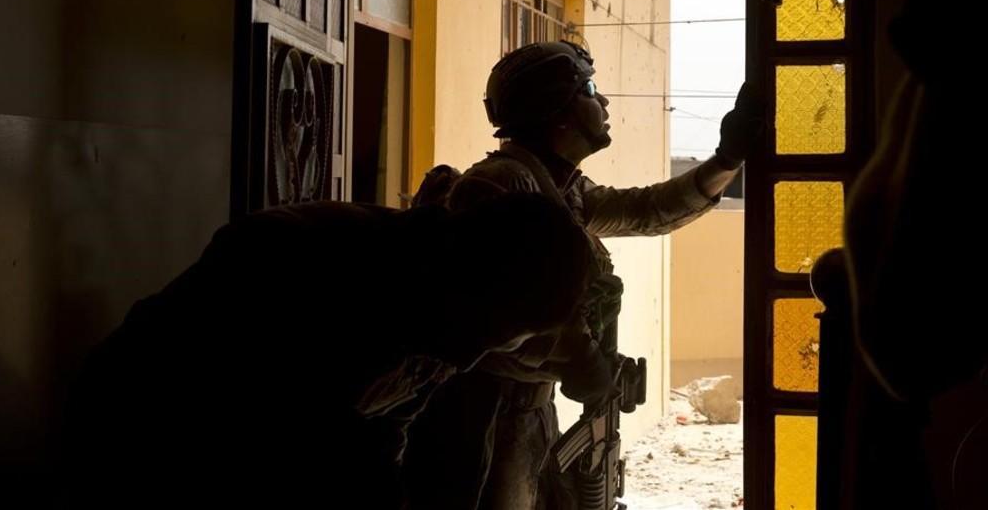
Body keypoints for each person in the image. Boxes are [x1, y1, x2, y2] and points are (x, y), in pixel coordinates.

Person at [403, 40, 764, 510]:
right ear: (557, 111)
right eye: (590, 89)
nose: (605, 102)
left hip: (523, 411)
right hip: (480, 416)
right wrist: (584, 362)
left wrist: (727, 160)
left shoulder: (562, 189)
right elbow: (492, 314)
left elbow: (648, 210)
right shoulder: (501, 187)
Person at [60, 193, 594, 509]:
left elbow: (378, 427)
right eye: (490, 330)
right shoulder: (294, 264)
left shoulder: (438, 311)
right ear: (474, 277)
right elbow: (268, 436)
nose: (473, 353)